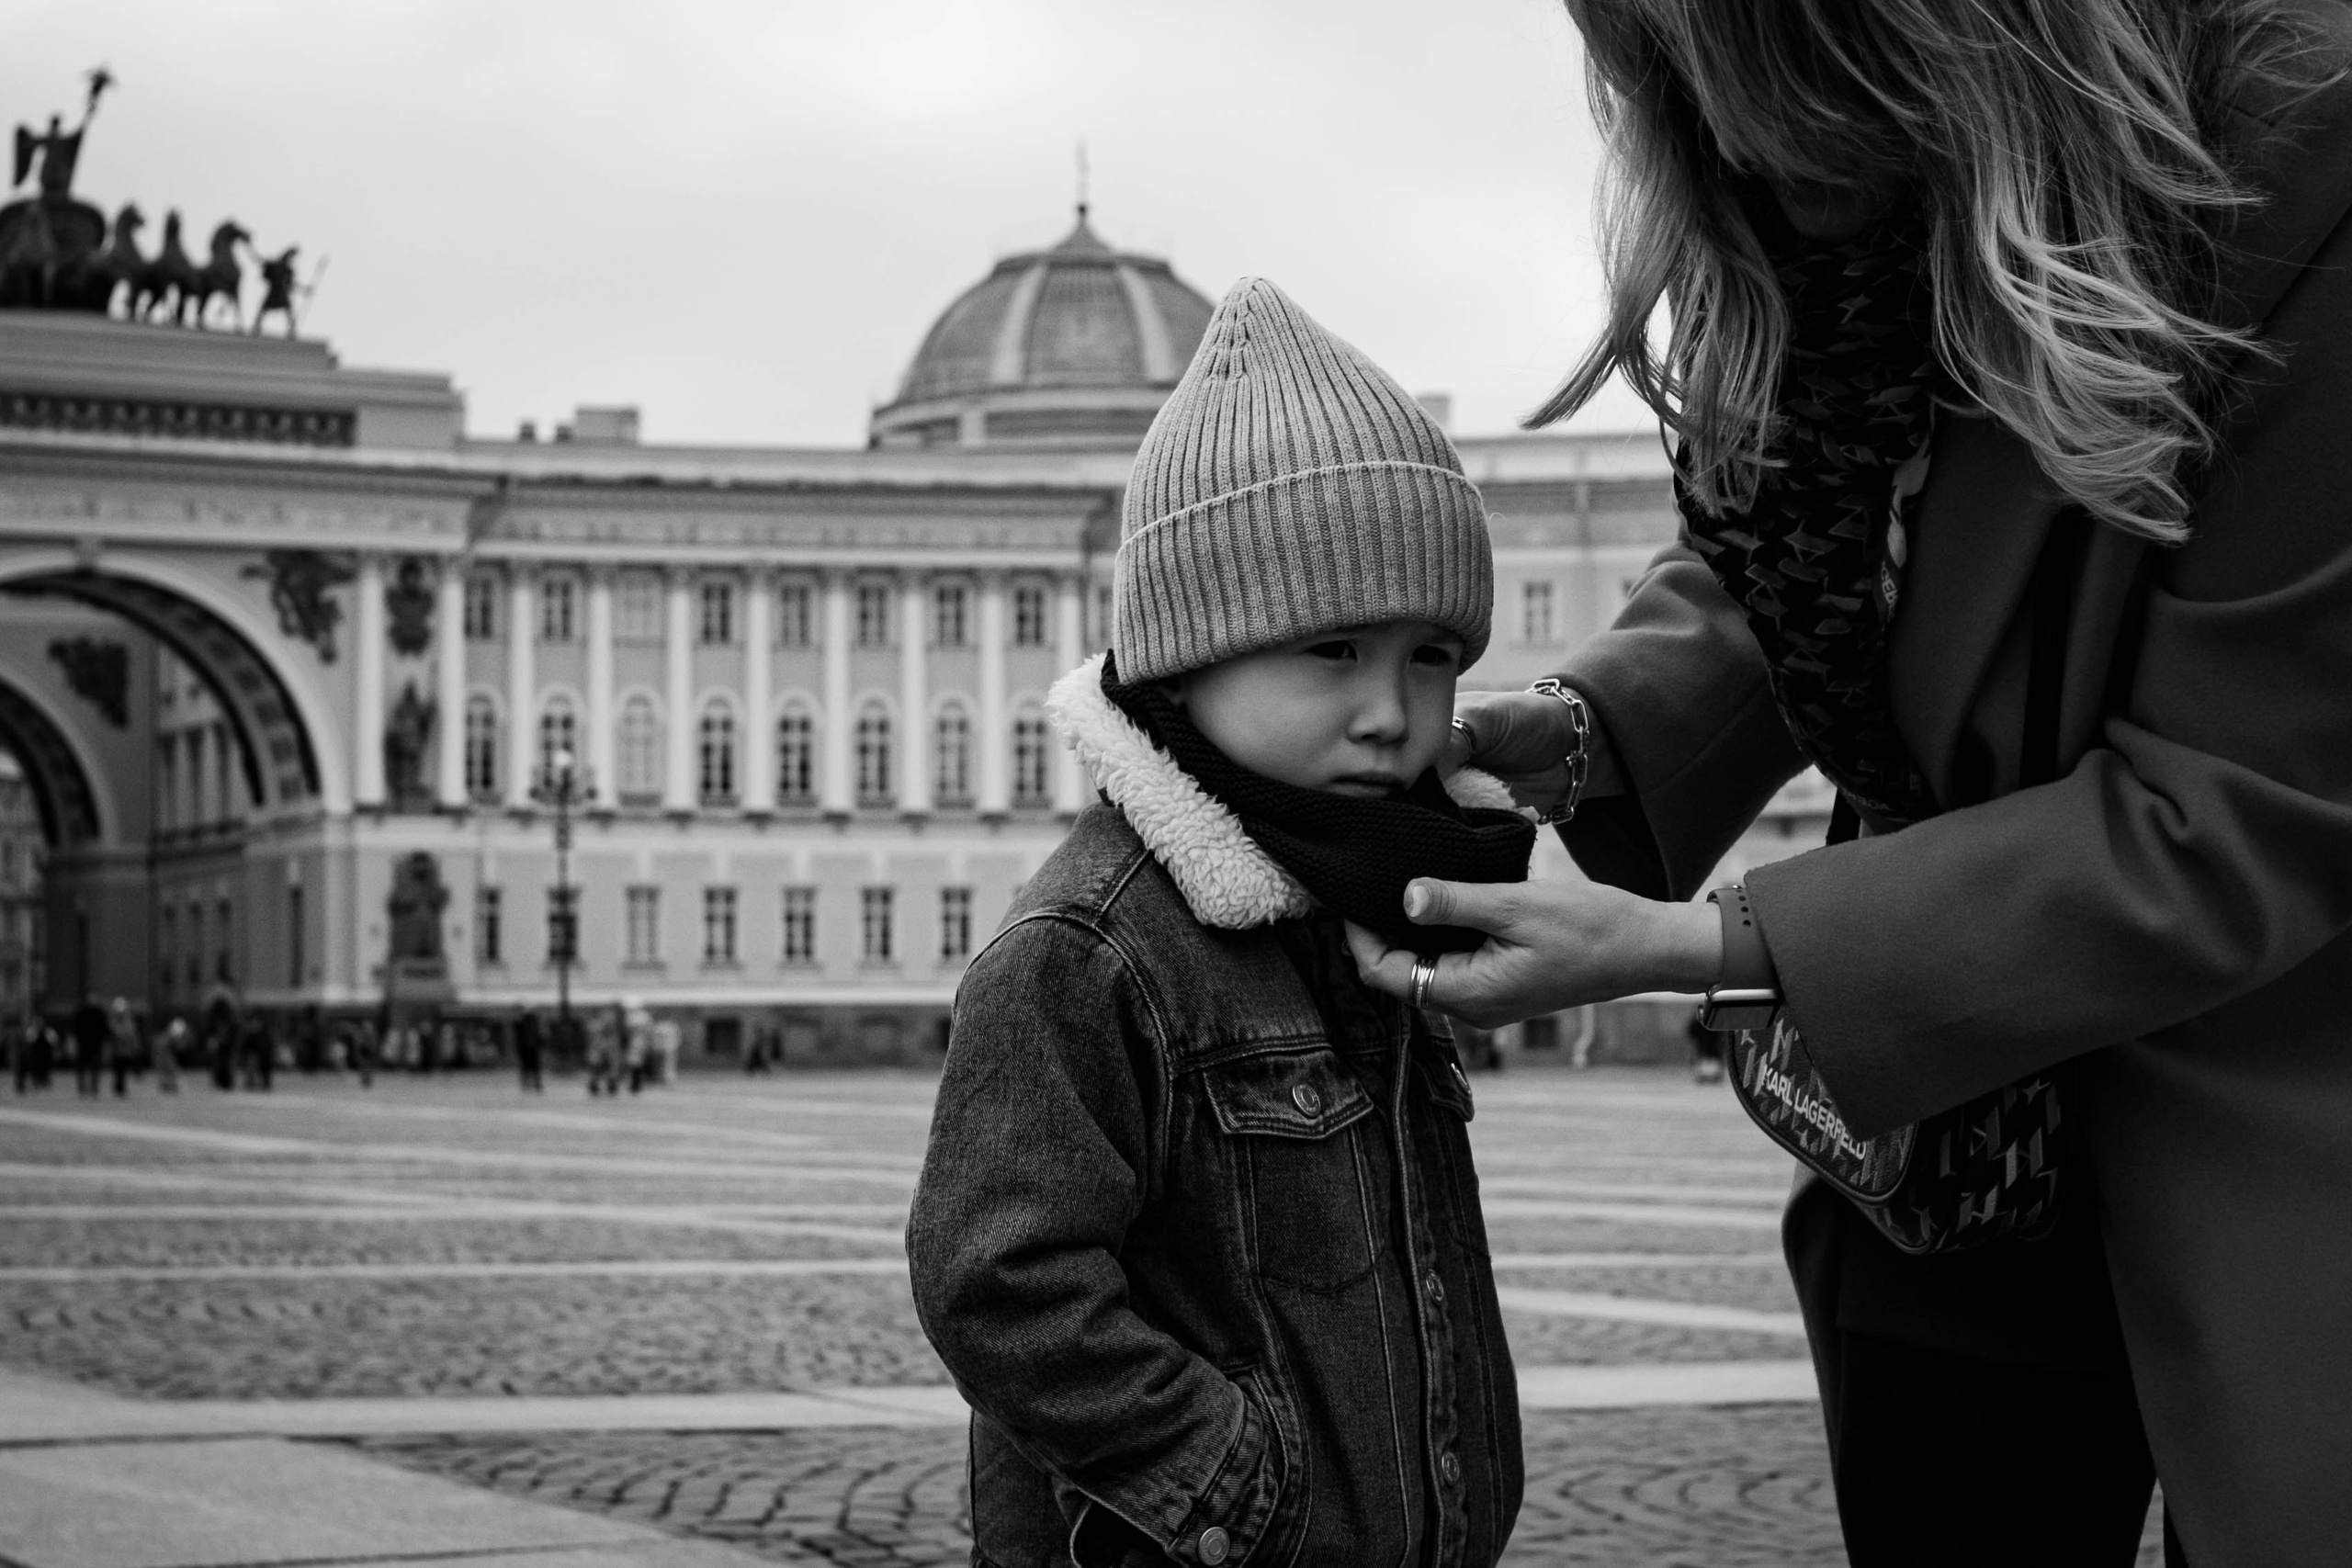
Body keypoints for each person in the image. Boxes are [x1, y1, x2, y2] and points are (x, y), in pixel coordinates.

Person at [1346, 4, 2352, 1565]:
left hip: (2268, 1111)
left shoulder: (2312, 141)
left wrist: (1710, 945)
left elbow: (2242, 806)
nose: (1736, 151)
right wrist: (1593, 725)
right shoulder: (1839, 169)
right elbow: (1824, 553)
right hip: (1950, 1122)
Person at [910, 278, 1532, 1567]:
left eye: (1431, 653)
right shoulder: (1088, 947)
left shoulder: (1365, 901)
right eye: (1334, 648)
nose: (1392, 710)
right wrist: (1242, 1488)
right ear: (1187, 655)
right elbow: (998, 1278)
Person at [70, 993, 107, 1098]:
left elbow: (104, 1028)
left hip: (95, 1044)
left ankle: (94, 1088)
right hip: (83, 1043)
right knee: (82, 1067)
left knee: (95, 1067)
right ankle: (82, 1088)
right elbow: (75, 1028)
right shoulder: (81, 1012)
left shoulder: (99, 1013)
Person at [514, 1009, 544, 1092]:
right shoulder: (526, 1026)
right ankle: (530, 1083)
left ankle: (532, 1083)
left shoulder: (532, 1026)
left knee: (530, 1068)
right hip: (528, 1050)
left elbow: (539, 1038)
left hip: (530, 1049)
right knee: (529, 1068)